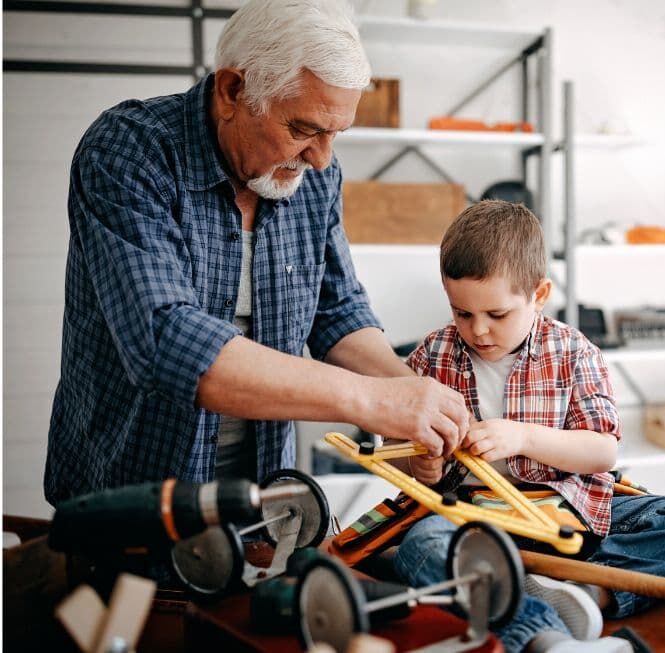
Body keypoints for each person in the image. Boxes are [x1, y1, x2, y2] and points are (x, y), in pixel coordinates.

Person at [44, 0, 469, 505]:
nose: (322, 158)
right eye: (304, 129)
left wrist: (413, 399)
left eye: (335, 134)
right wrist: (374, 401)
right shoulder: (130, 150)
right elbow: (165, 339)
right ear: (232, 91)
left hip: (263, 498)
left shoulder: (315, 175)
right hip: (131, 499)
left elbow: (337, 311)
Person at [392, 201, 665, 653]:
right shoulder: (435, 352)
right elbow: (401, 443)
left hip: (567, 515)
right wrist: (420, 464)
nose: (478, 330)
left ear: (539, 295)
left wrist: (523, 436)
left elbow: (603, 451)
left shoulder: (571, 351)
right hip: (475, 521)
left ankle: (586, 597)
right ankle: (543, 632)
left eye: (497, 314)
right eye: (462, 313)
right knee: (421, 545)